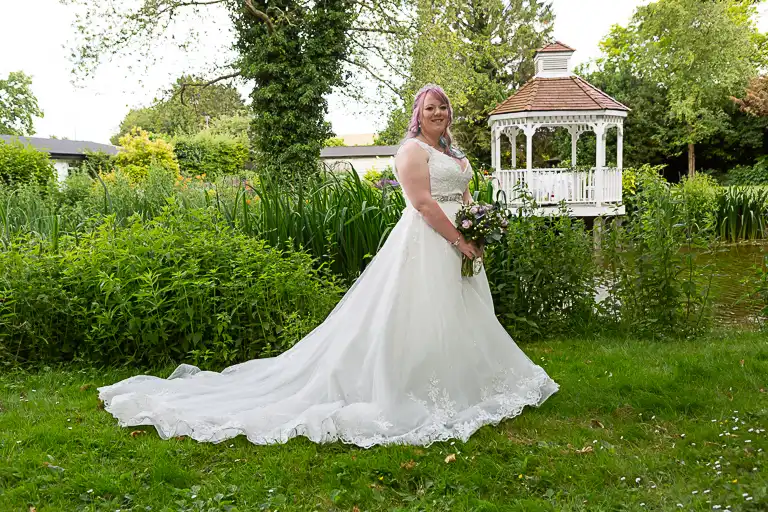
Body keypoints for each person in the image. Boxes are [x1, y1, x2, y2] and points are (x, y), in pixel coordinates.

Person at [99, 84, 559, 448]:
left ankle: (466, 382)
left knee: (461, 314)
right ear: (418, 115)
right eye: (430, 108)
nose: (438, 113)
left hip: (461, 242)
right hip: (429, 242)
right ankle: (411, 386)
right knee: (422, 316)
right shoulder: (411, 151)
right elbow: (422, 203)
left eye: (444, 107)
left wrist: (477, 227)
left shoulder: (455, 155)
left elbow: (463, 195)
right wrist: (459, 239)